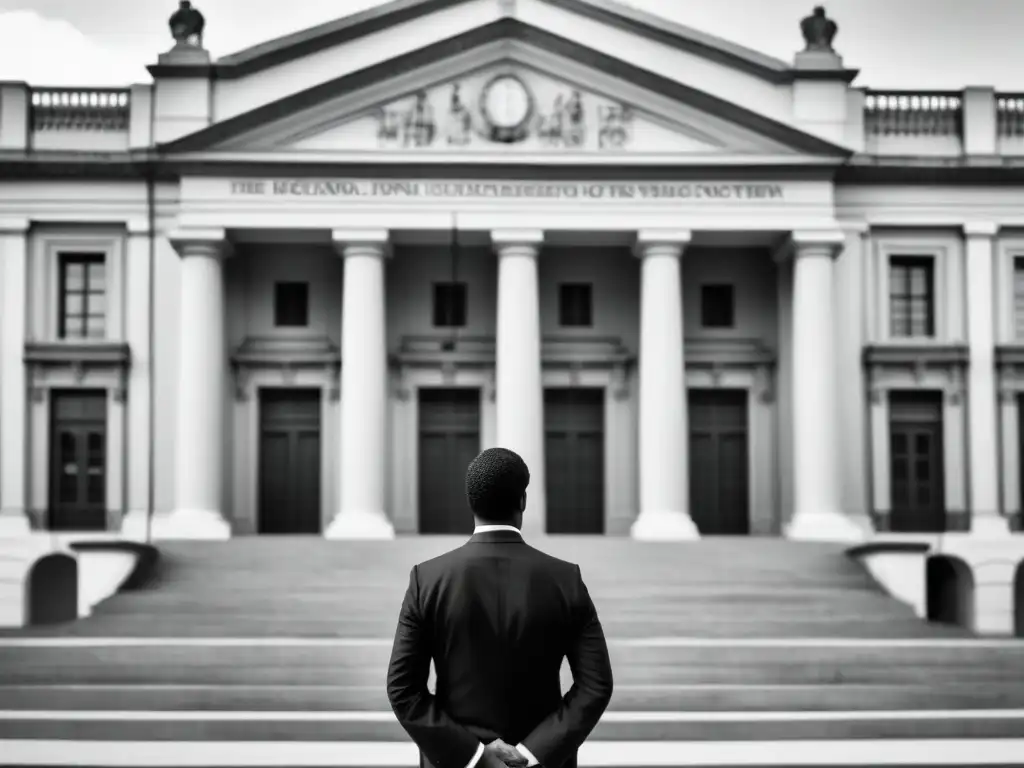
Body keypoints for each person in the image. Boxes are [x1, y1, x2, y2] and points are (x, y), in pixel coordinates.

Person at [387, 447, 614, 768]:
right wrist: (532, 752)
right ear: (522, 501)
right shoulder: (566, 578)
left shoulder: (427, 579)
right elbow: (596, 685)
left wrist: (474, 756)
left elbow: (403, 689)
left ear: (470, 502)